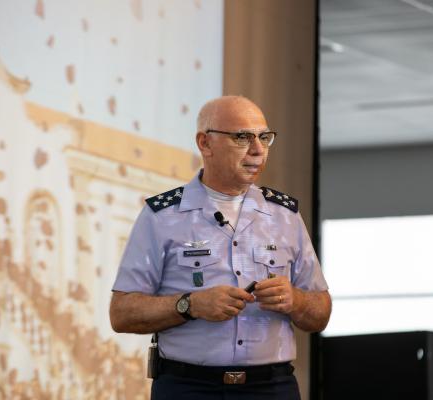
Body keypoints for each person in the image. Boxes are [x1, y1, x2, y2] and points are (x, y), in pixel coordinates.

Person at [109, 96, 331, 400]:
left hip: (272, 388)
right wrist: (190, 305)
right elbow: (122, 314)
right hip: (189, 388)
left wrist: (296, 300)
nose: (257, 149)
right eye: (242, 137)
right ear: (205, 143)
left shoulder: (285, 215)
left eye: (264, 137)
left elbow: (320, 312)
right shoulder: (162, 216)